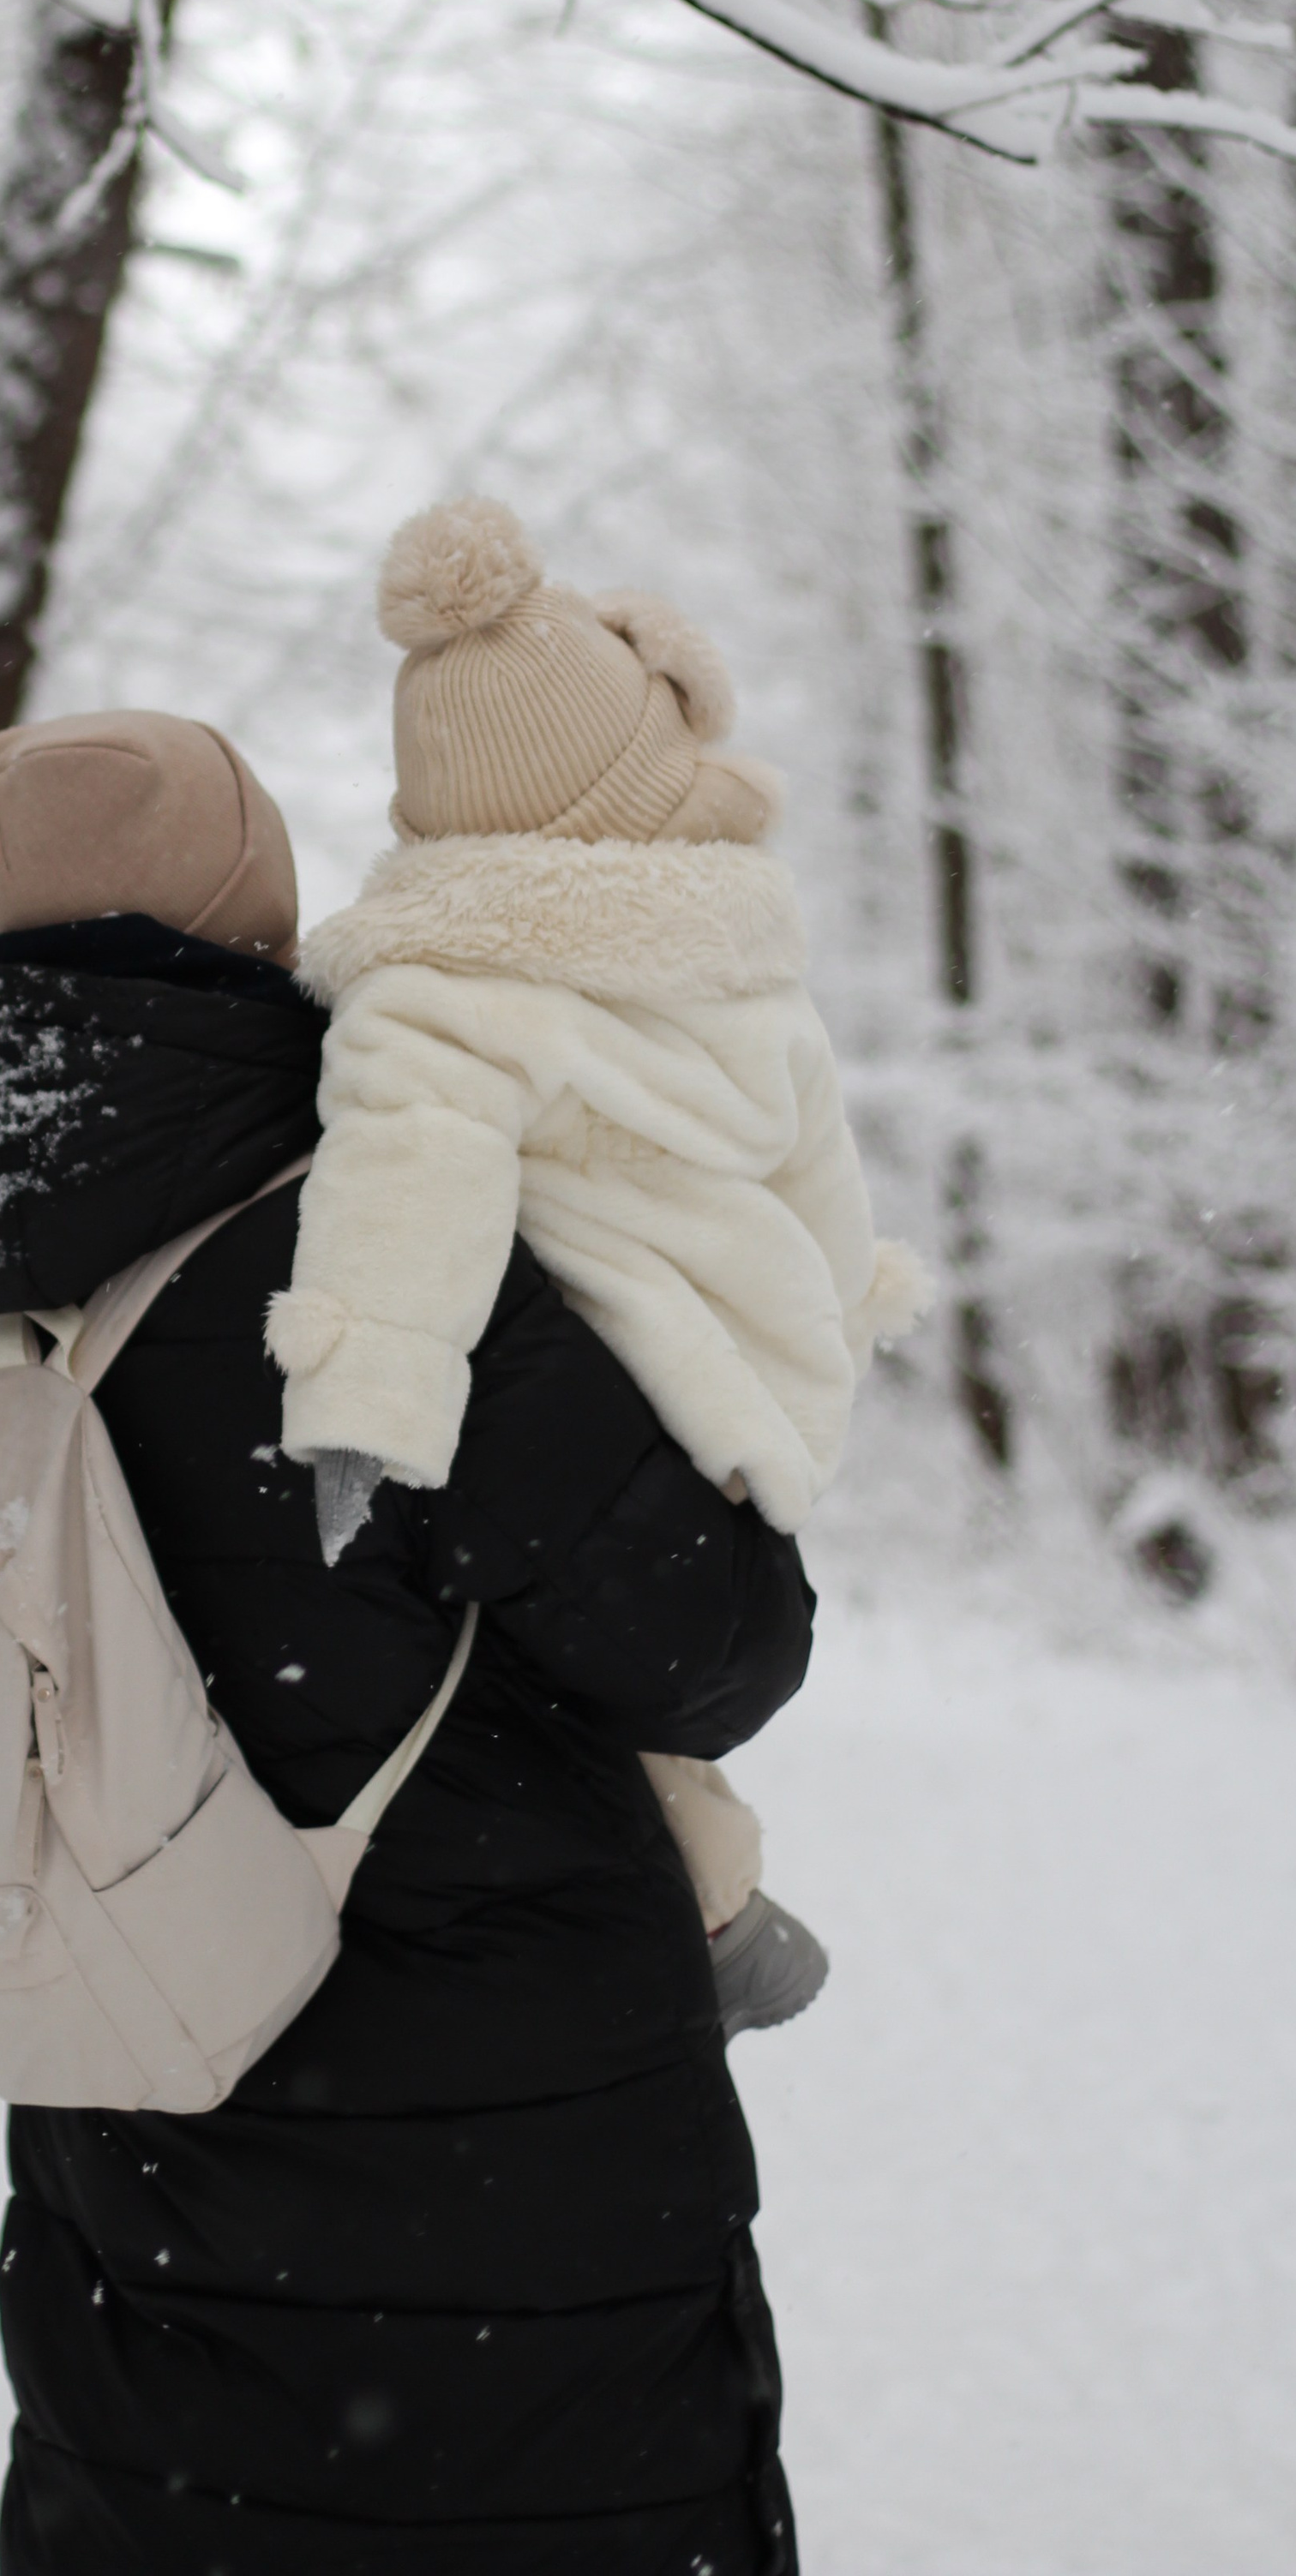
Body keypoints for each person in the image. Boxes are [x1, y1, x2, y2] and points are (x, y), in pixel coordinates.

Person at [0, 704, 813, 2576]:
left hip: (139, 2106)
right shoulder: (371, 1233)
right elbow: (711, 1645)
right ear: (256, 900)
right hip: (502, 2171)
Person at [269, 499, 930, 2015]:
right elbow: (823, 1193)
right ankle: (712, 1907)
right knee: (626, 1699)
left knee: (520, 1683)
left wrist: (362, 1412)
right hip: (749, 1405)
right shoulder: (749, 966)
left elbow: (406, 1189)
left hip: (596, 1403)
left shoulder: (438, 988)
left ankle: (701, 1906)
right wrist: (835, 1320)